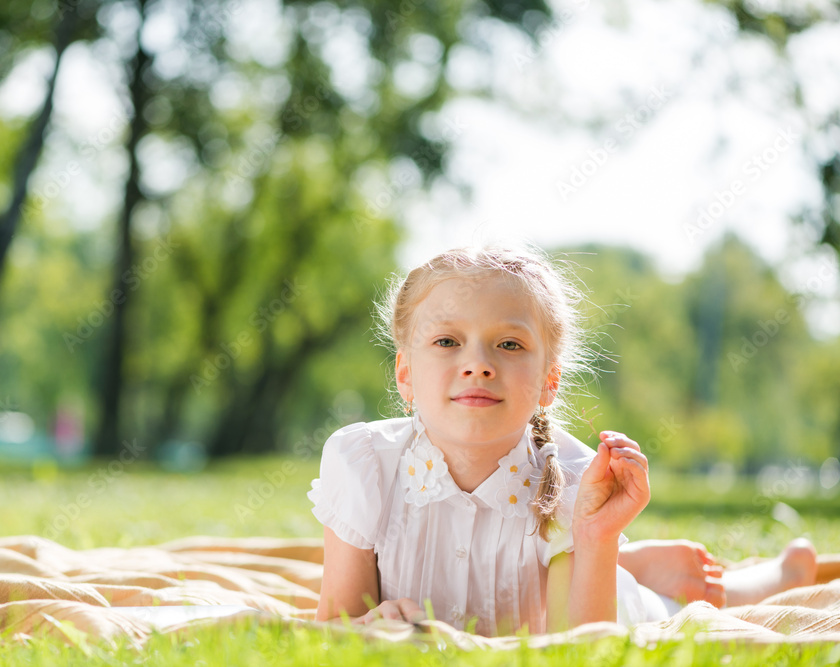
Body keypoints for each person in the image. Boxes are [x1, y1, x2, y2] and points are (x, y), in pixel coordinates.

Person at [308, 244, 818, 637]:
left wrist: (597, 539)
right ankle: (635, 563)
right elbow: (335, 625)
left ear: (549, 382)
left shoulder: (570, 480)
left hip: (593, 598)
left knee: (683, 606)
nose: (478, 363)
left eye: (509, 344)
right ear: (405, 376)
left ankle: (775, 573)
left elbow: (578, 646)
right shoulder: (365, 464)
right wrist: (377, 629)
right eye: (447, 341)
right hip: (559, 577)